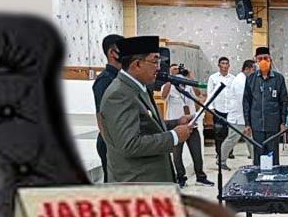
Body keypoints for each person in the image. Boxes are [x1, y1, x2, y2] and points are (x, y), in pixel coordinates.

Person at [99, 36, 193, 183]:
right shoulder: (119, 94)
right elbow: (129, 145)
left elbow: (146, 125)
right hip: (136, 183)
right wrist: (174, 136)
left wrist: (175, 123)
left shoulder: (139, 87)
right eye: (155, 62)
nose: (159, 67)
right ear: (137, 64)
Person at [161, 64, 214, 188]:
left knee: (197, 153)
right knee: (177, 155)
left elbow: (199, 93)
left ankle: (201, 177)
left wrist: (190, 77)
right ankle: (181, 177)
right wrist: (171, 78)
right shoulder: (168, 85)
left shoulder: (188, 85)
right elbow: (163, 96)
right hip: (176, 126)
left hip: (191, 124)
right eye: (174, 70)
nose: (178, 73)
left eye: (179, 71)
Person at [243, 47, 288, 166]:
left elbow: (284, 101)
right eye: (260, 59)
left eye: (266, 58)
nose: (263, 61)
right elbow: (246, 102)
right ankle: (258, 182)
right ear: (256, 61)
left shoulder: (279, 79)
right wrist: (247, 124)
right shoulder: (251, 79)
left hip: (273, 124)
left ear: (270, 59)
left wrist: (283, 122)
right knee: (258, 156)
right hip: (256, 124)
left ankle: (274, 181)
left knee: (273, 157)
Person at [92, 34, 123, 182]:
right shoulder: (105, 79)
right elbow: (101, 116)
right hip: (110, 143)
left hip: (120, 140)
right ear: (112, 53)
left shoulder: (120, 77)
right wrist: (112, 148)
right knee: (113, 183)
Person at [220, 60, 256, 170]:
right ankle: (221, 161)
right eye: (253, 69)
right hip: (238, 117)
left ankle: (256, 161)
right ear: (247, 69)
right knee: (231, 140)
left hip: (243, 117)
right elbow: (244, 101)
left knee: (251, 140)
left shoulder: (246, 79)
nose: (255, 72)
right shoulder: (240, 81)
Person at [207, 56, 235, 162]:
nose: (224, 66)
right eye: (222, 63)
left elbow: (235, 94)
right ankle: (219, 153)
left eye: (226, 63)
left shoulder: (233, 78)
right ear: (219, 65)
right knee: (218, 133)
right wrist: (211, 108)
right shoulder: (213, 78)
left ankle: (228, 152)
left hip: (230, 110)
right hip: (217, 110)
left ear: (229, 65)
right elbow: (210, 94)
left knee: (230, 132)